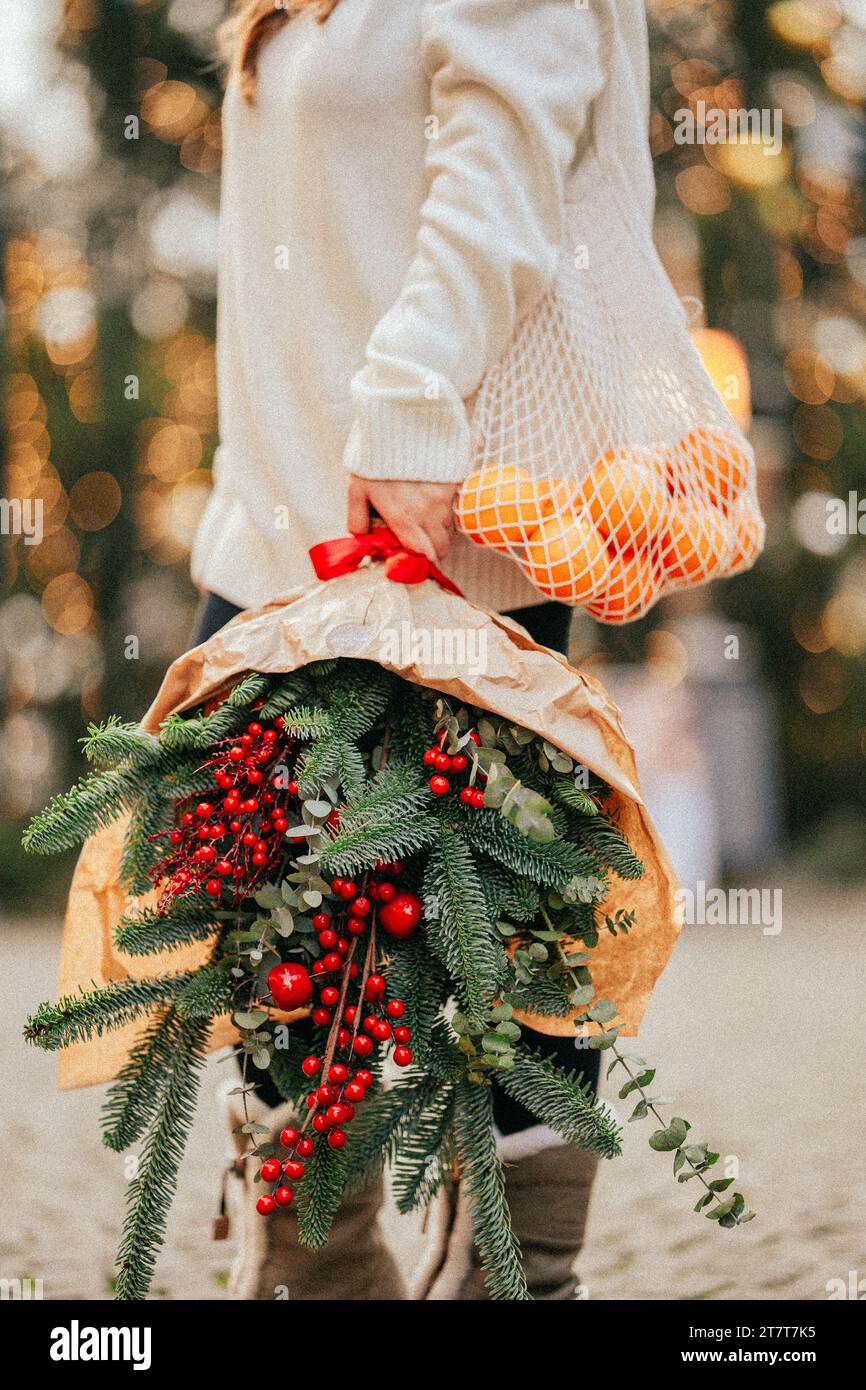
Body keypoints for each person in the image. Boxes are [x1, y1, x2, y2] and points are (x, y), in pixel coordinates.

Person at [192, 0, 657, 1300]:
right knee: (272, 912)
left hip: (437, 506)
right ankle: (320, 1271)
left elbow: (504, 165)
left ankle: (518, 1275)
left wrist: (407, 400)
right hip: (276, 522)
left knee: (502, 915)